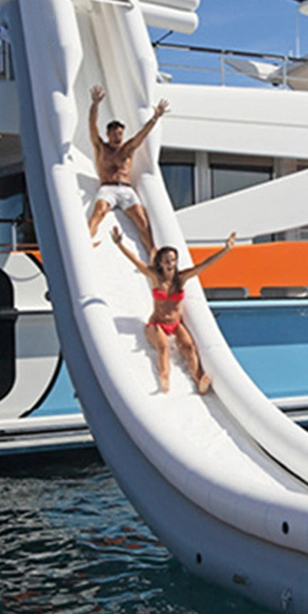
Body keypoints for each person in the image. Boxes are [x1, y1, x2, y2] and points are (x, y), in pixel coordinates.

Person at [111, 226, 236, 394]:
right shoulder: (155, 277)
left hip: (175, 323)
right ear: (160, 263)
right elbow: (135, 261)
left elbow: (204, 265)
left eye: (173, 260)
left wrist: (225, 249)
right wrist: (120, 244)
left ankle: (199, 380)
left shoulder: (181, 278)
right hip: (156, 324)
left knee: (189, 347)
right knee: (164, 348)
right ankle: (164, 378)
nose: (170, 264)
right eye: (167, 260)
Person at [87, 85, 169, 256]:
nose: (118, 137)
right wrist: (95, 104)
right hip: (107, 188)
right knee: (99, 212)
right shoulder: (101, 147)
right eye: (115, 134)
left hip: (126, 189)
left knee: (142, 221)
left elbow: (142, 135)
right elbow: (92, 125)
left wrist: (155, 118)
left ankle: (152, 253)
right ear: (108, 133)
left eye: (120, 134)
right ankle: (86, 242)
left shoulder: (128, 148)